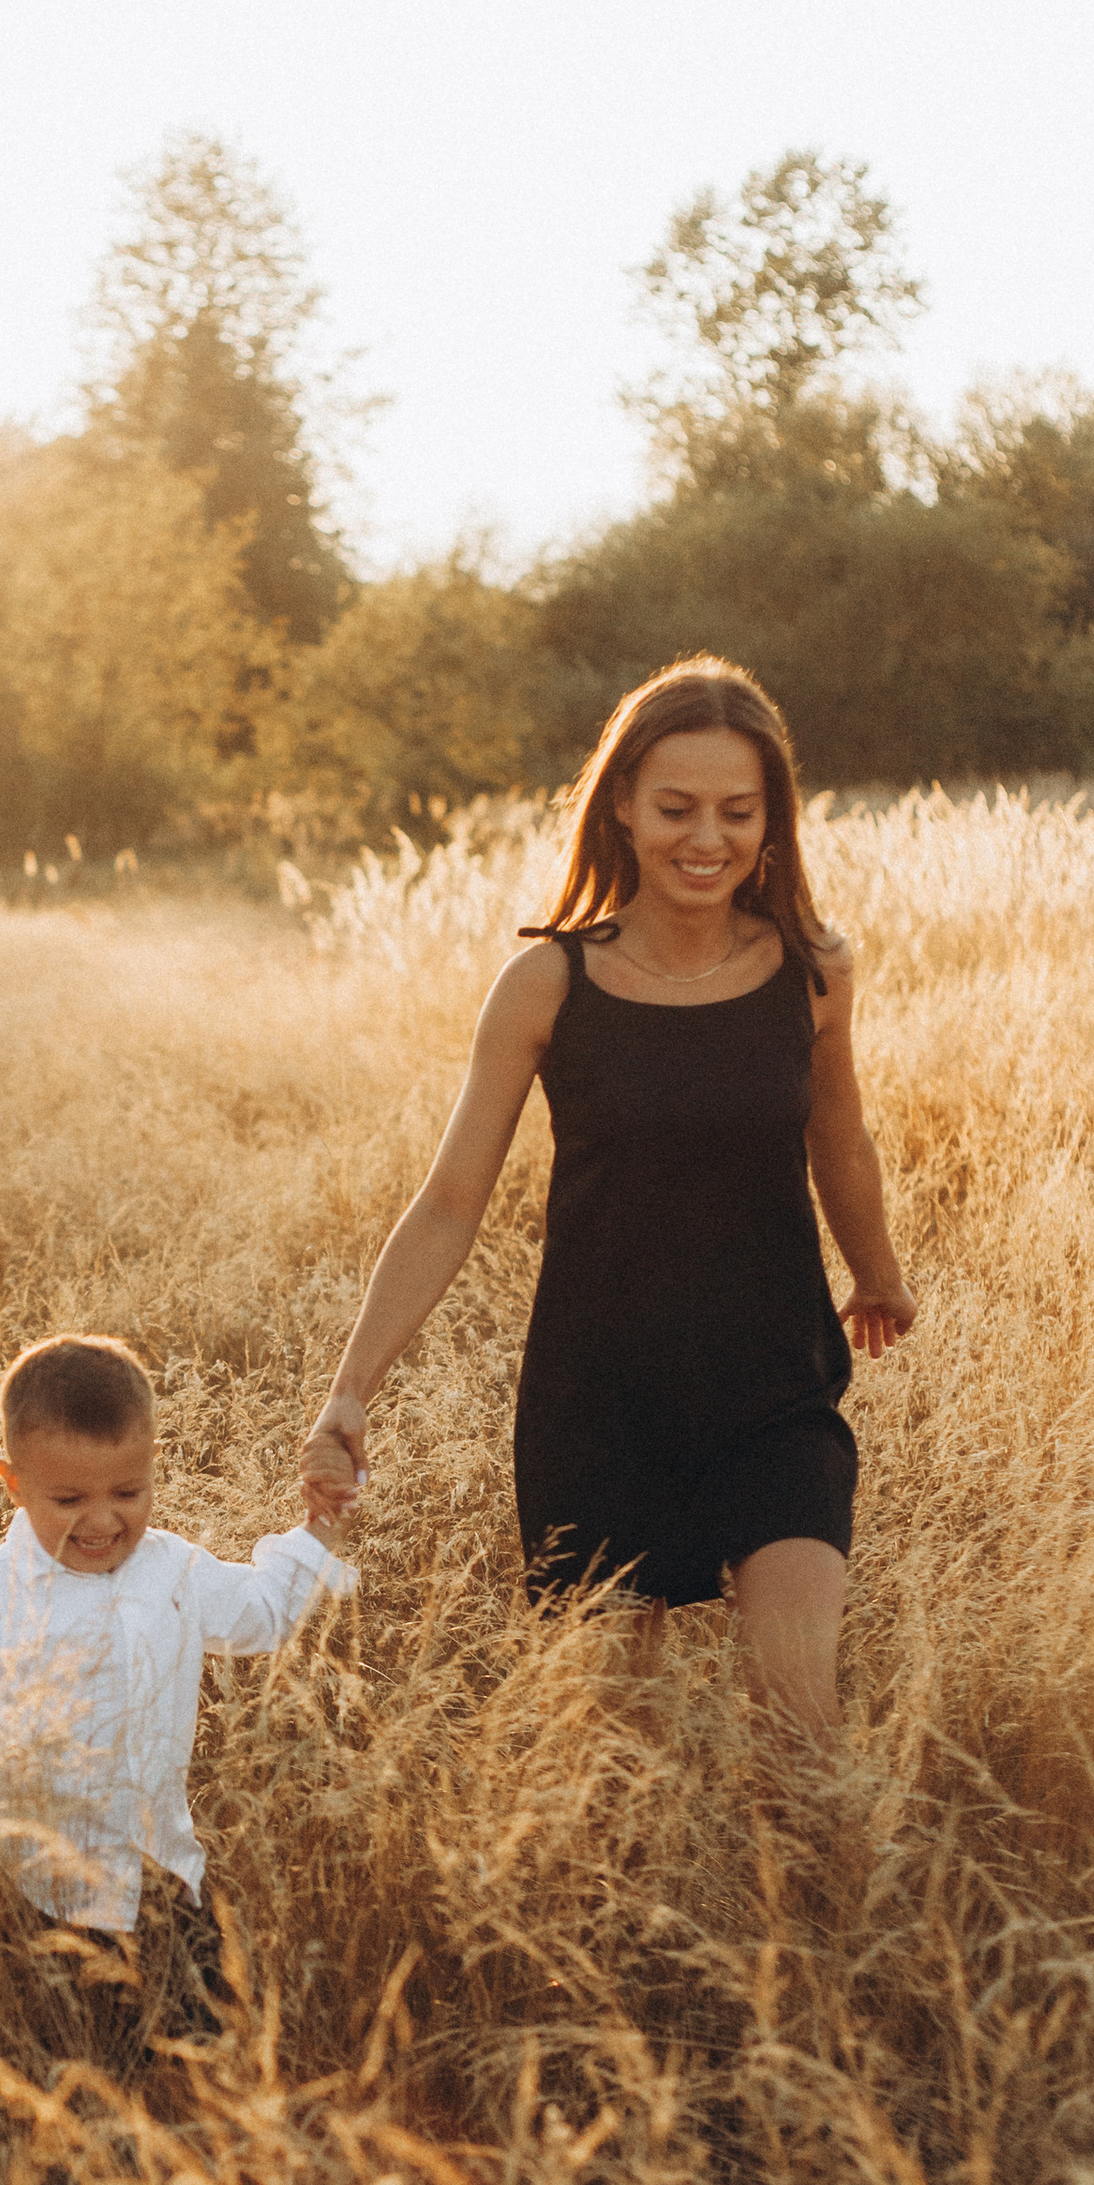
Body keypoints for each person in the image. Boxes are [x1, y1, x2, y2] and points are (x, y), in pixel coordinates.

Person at [299, 658, 914, 1738]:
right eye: (676, 808)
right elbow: (449, 1202)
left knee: (799, 1727)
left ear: (772, 817)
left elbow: (839, 1136)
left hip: (773, 1387)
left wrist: (878, 1273)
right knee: (621, 1751)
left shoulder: (813, 967)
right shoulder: (547, 984)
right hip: (601, 1404)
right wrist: (350, 1389)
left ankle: (824, 1854)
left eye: (737, 811)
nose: (706, 838)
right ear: (621, 803)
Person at [0, 1334, 354, 1988]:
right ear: (14, 1484)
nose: (100, 1522)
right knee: (50, 2034)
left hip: (155, 1870)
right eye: (68, 1501)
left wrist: (322, 1528)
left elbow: (265, 1611)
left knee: (202, 2027)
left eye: (127, 1492)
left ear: (154, 1464)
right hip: (24, 1890)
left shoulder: (174, 1571)